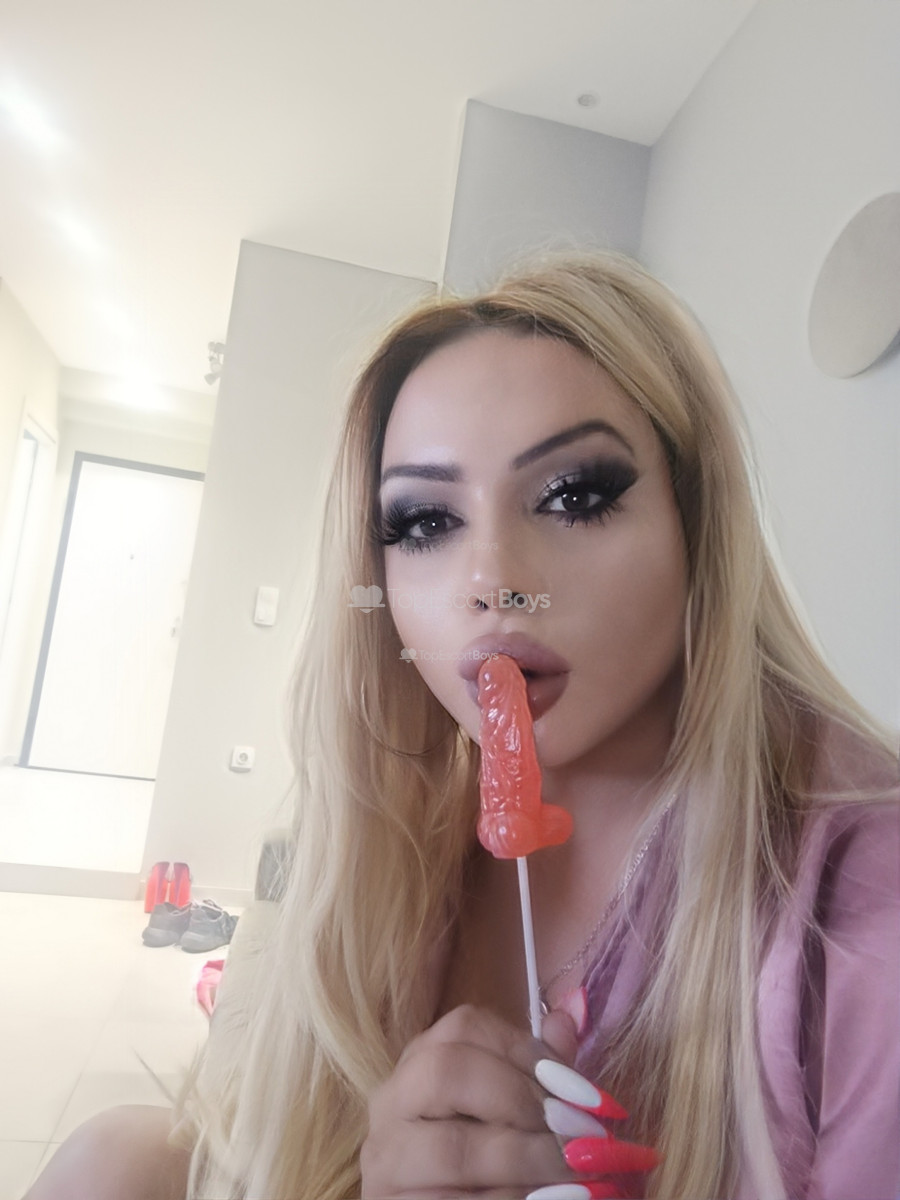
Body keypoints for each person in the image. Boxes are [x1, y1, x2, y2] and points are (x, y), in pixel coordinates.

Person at [27, 253, 899, 1200]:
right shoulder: (365, 848)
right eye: (424, 523)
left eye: (574, 496)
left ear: (696, 526)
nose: (491, 581)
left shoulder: (865, 908)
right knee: (105, 1163)